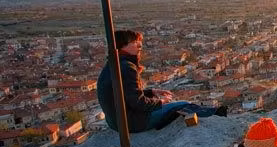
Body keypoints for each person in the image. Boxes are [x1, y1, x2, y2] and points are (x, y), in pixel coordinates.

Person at [96, 29, 225, 132]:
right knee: (183, 105)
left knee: (175, 107)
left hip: (116, 122)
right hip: (132, 122)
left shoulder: (114, 64)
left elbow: (125, 93)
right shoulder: (127, 67)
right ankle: (217, 115)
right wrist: (161, 102)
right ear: (123, 46)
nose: (140, 46)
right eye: (135, 43)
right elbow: (138, 103)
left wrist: (151, 92)